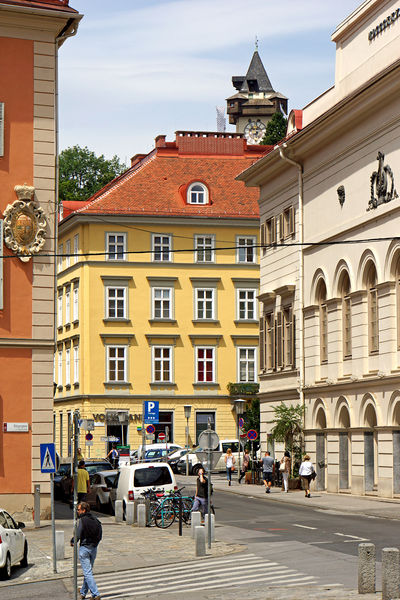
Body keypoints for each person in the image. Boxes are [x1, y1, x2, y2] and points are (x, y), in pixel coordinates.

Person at [71, 501, 102, 600]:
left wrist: (73, 541)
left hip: (84, 548)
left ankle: (96, 594)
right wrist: (95, 544)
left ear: (83, 510)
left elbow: (78, 533)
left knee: (87, 573)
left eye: (79, 509)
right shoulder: (96, 520)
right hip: (94, 548)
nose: (77, 511)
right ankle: (83, 593)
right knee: (88, 572)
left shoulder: (82, 520)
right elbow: (100, 534)